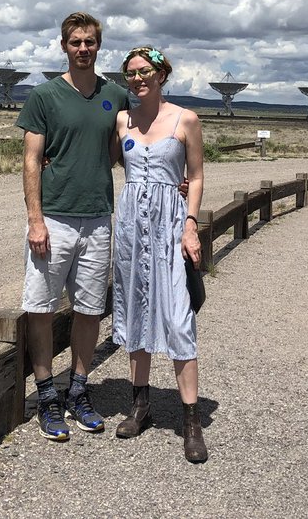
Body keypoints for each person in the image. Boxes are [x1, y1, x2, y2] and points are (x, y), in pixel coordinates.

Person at [16, 11, 129, 441]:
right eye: (76, 42)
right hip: (55, 219)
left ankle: (78, 390)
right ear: (63, 46)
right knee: (41, 309)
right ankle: (47, 396)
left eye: (90, 42)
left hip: (98, 217)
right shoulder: (43, 97)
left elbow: (126, 148)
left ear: (99, 46)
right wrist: (35, 219)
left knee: (88, 310)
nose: (84, 49)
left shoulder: (115, 95)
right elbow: (30, 160)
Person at [111, 45, 208, 463]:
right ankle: (141, 405)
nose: (138, 79)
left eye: (145, 71)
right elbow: (104, 161)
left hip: (170, 228)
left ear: (161, 73)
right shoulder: (121, 120)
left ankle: (190, 421)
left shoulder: (185, 119)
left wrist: (190, 225)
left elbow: (198, 176)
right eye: (131, 73)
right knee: (135, 311)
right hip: (132, 227)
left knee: (177, 316)